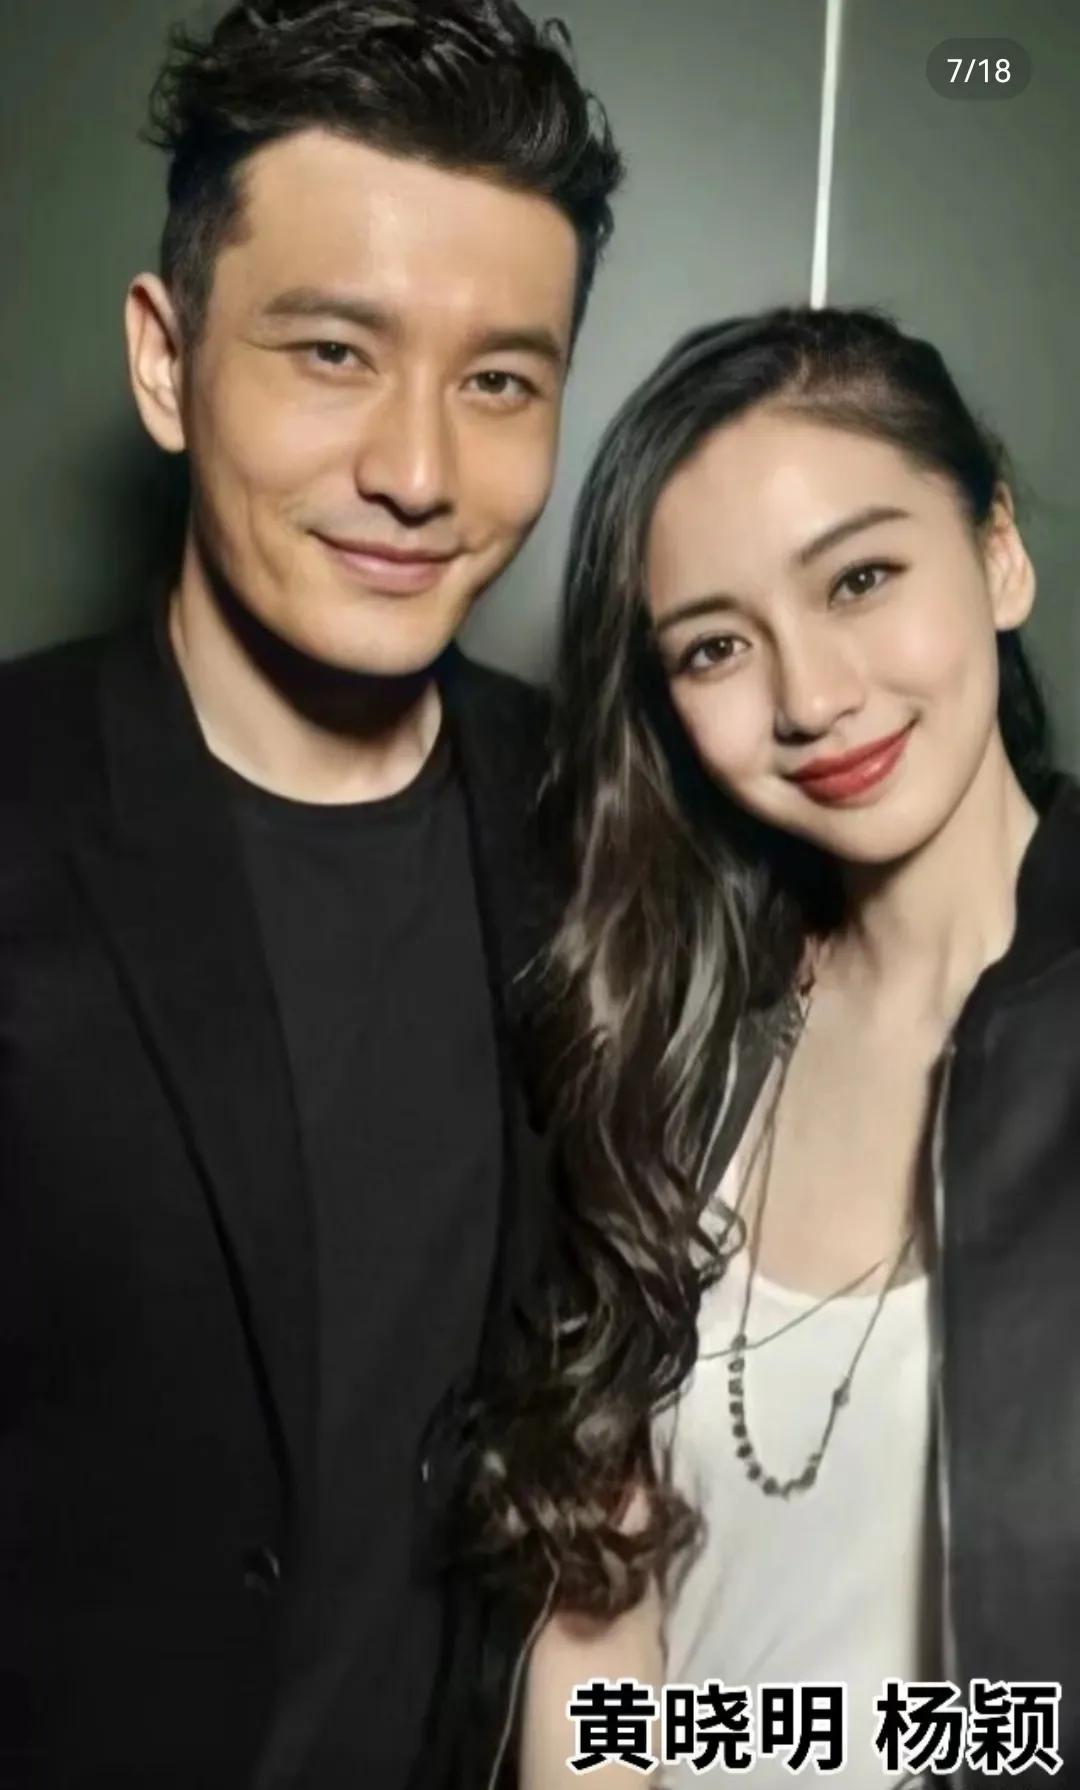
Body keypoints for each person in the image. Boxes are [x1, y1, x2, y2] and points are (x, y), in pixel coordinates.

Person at [0, 3, 623, 1786]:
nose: (418, 473)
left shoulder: (598, 825)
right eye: (335, 352)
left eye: (499, 382)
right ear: (164, 357)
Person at [461, 307, 1080, 1786]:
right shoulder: (677, 1041)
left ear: (998, 550)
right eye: (718, 646)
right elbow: (600, 1625)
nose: (810, 698)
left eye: (861, 577)